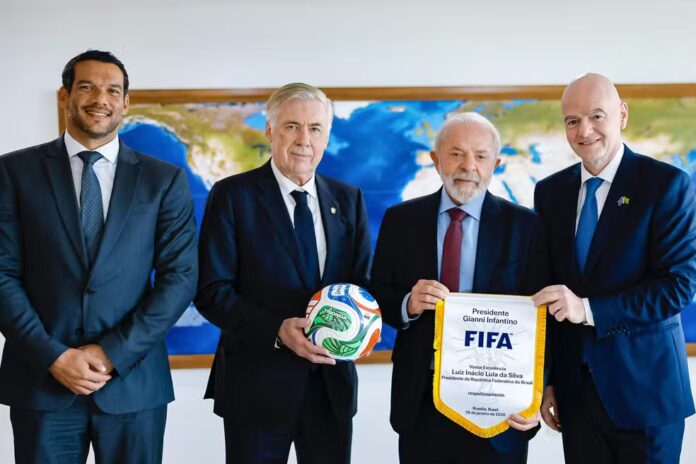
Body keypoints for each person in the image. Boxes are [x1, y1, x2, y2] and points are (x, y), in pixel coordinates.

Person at [0, 50, 198, 464]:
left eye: (112, 90)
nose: (100, 99)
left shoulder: (163, 181)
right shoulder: (13, 173)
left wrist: (112, 354)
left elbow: (179, 279)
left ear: (125, 102)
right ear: (65, 96)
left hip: (133, 385)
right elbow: (2, 273)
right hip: (42, 383)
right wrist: (52, 356)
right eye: (87, 87)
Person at [195, 82, 371, 464]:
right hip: (255, 390)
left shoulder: (348, 199)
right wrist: (276, 329)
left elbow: (362, 285)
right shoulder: (232, 196)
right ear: (270, 130)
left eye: (315, 128)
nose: (304, 140)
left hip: (330, 389)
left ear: (327, 136)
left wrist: (366, 325)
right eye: (292, 126)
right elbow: (211, 290)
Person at [532, 73, 696, 464]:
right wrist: (547, 378)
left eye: (596, 116)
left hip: (645, 394)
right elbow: (547, 288)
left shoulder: (666, 185)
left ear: (622, 115)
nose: (584, 131)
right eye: (572, 121)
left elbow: (678, 286)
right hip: (575, 396)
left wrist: (588, 309)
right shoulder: (550, 192)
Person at [371, 112, 548, 463]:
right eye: (456, 154)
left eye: (480, 156)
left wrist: (537, 395)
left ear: (496, 164)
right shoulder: (400, 221)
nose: (469, 166)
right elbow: (377, 295)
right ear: (436, 160)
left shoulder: (526, 227)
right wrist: (408, 303)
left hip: (500, 409)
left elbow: (545, 318)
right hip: (421, 402)